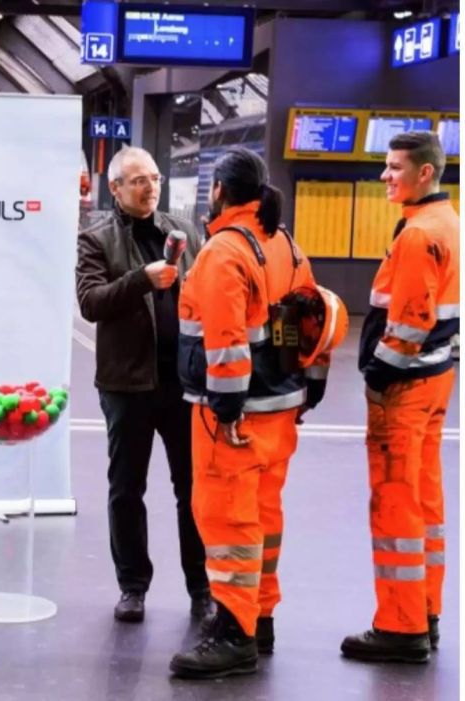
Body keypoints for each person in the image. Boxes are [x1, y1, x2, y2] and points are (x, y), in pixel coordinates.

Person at [169, 147, 346, 679]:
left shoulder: (225, 250)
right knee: (263, 518)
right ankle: (259, 617)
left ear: (219, 190)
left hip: (235, 418)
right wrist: (309, 386)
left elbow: (225, 342)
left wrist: (224, 408)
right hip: (279, 411)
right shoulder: (283, 243)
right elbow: (309, 316)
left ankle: (232, 635)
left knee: (227, 521)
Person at [76, 146, 212, 625]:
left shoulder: (185, 231)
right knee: (126, 489)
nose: (150, 187)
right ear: (115, 188)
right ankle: (132, 587)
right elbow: (91, 302)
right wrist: (141, 279)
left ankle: (202, 587)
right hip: (127, 384)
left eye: (154, 178)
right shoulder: (96, 238)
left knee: (192, 489)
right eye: (137, 180)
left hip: (183, 384)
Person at [341, 132, 459, 664]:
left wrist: (377, 375)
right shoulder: (449, 224)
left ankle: (401, 626)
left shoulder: (417, 236)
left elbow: (410, 324)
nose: (385, 176)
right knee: (425, 500)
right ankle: (427, 612)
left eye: (393, 167)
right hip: (437, 381)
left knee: (395, 503)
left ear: (425, 174)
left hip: (406, 389)